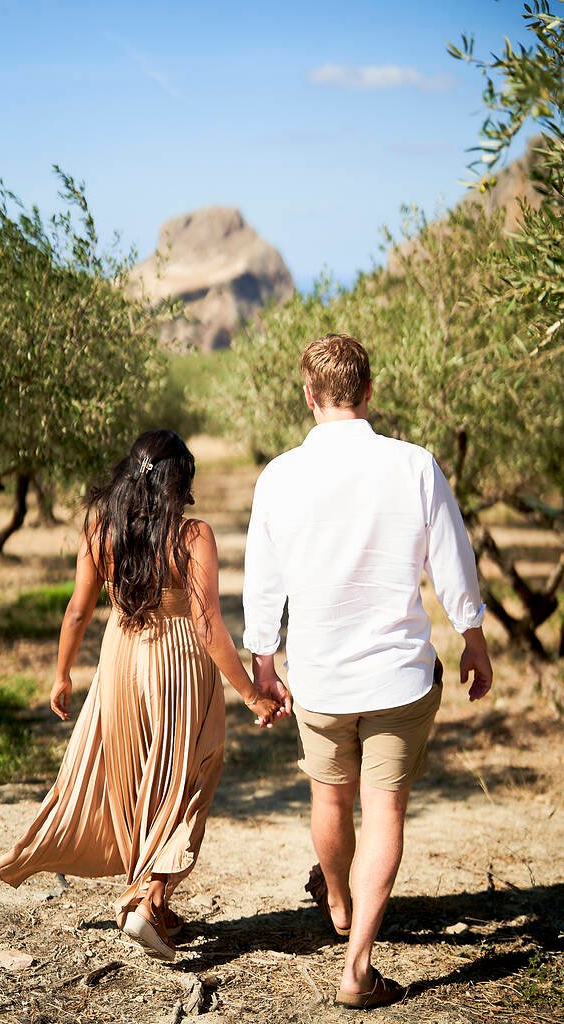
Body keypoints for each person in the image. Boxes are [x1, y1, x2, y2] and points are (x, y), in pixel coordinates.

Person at [242, 334, 493, 1009]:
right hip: (397, 678)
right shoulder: (413, 465)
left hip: (319, 677)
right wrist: (473, 639)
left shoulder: (280, 475)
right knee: (383, 810)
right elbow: (452, 562)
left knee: (329, 798)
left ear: (308, 396)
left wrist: (262, 662)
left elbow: (262, 583)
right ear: (369, 391)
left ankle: (339, 906)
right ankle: (357, 966)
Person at [0, 429, 278, 962]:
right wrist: (248, 693)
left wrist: (62, 675)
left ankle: (155, 901)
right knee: (188, 775)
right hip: (177, 663)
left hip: (120, 657)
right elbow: (208, 623)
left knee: (136, 779)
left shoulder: (101, 526)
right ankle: (148, 902)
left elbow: (78, 611)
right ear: (177, 484)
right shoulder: (192, 536)